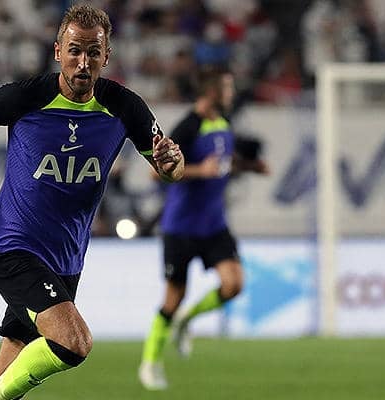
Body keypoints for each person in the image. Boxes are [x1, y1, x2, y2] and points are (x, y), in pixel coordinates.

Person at [0, 4, 184, 400]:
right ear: (58, 51)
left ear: (106, 56)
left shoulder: (125, 107)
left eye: (93, 52)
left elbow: (169, 168)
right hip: (14, 249)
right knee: (75, 342)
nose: (83, 62)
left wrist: (172, 163)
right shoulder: (26, 97)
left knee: (5, 378)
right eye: (75, 50)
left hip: (65, 261)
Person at [138, 69, 269, 390]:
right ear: (212, 92)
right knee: (173, 297)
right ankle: (150, 363)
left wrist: (250, 167)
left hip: (213, 225)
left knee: (233, 284)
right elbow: (157, 172)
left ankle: (187, 320)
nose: (231, 94)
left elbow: (223, 162)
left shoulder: (224, 123)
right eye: (227, 88)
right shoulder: (188, 127)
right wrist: (199, 170)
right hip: (181, 227)